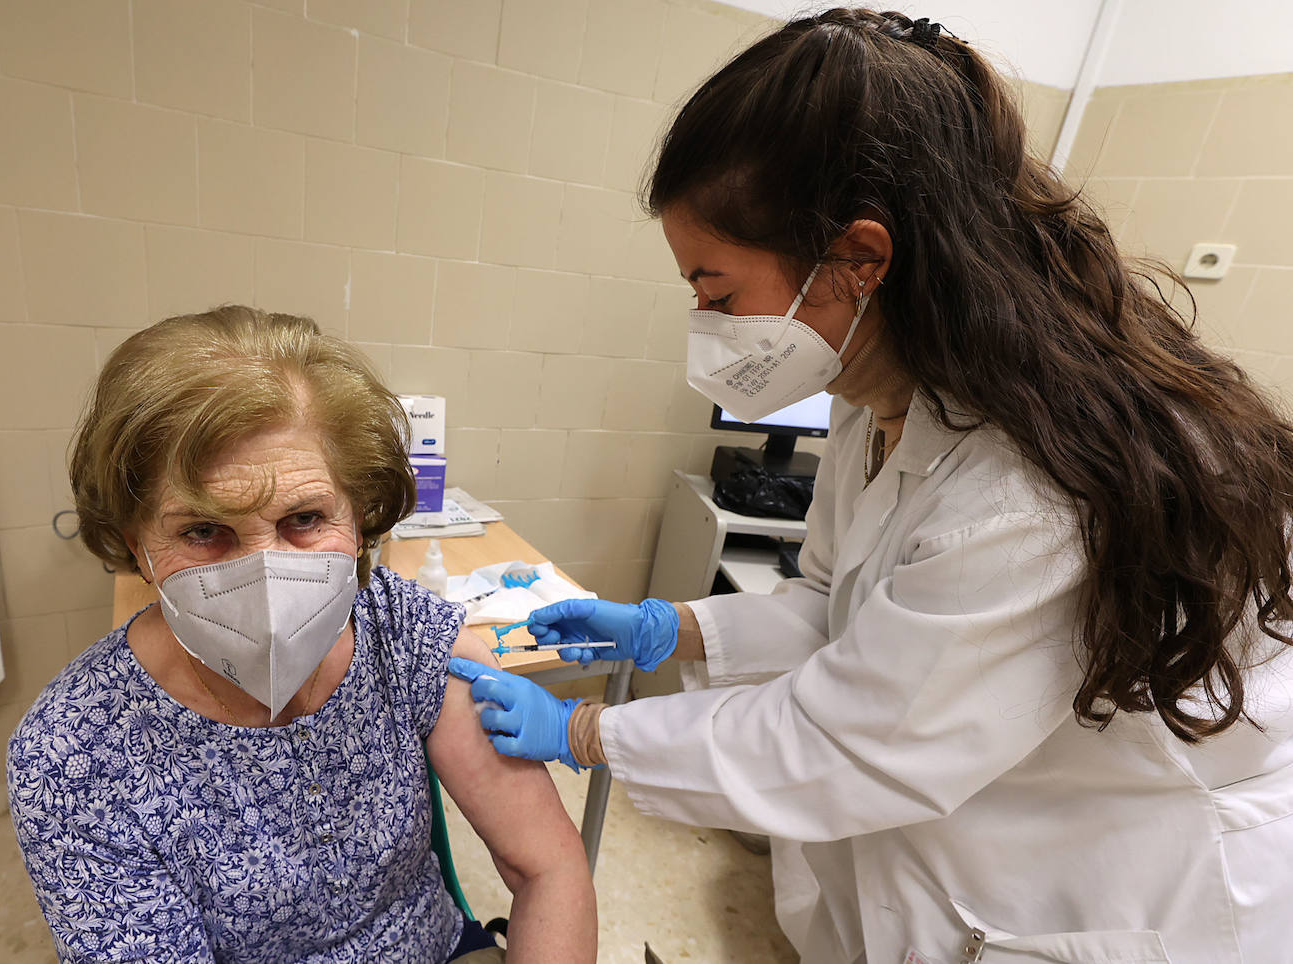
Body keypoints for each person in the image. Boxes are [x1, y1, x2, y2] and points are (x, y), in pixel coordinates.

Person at [448, 9, 1293, 963]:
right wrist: (670, 627)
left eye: (719, 293)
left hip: (1116, 874)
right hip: (953, 831)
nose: (704, 321)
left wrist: (590, 731)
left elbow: (849, 741)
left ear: (859, 261)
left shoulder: (1036, 489)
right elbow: (840, 606)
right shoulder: (874, 393)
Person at [7, 307, 596, 963]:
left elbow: (548, 870)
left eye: (305, 518)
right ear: (135, 545)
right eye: (204, 531)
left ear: (361, 514)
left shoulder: (402, 634)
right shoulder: (75, 753)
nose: (265, 575)